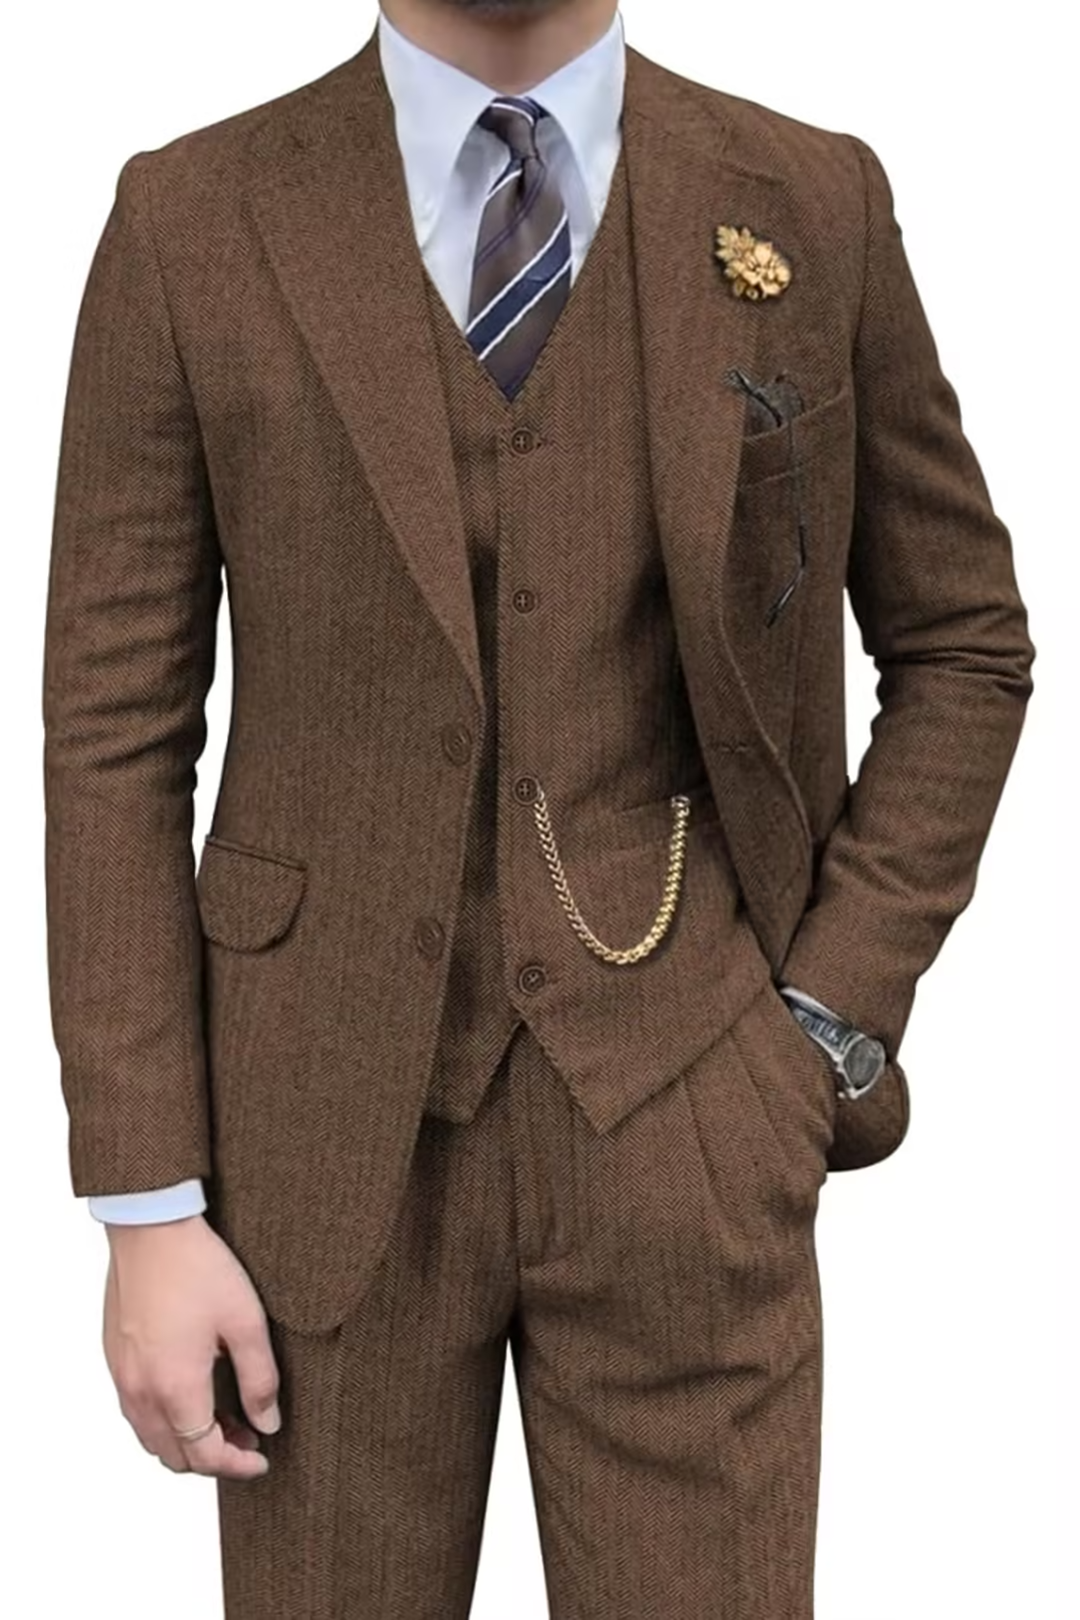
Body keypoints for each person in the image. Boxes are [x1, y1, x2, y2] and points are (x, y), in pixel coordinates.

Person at [41, 0, 1035, 1614]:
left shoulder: (811, 197)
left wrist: (821, 1028)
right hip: (315, 1151)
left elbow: (965, 646)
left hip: (694, 1112)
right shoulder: (193, 216)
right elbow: (111, 728)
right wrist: (144, 1202)